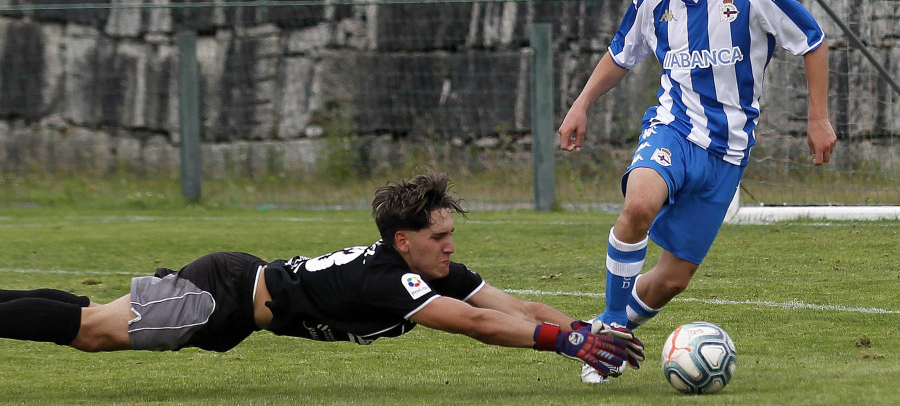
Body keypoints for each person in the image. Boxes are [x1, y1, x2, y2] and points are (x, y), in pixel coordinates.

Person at [558, 0, 837, 384]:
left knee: (672, 279)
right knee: (639, 204)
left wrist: (818, 117)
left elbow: (812, 41)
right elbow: (620, 56)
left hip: (727, 154)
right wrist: (580, 105)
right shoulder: (653, 2)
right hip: (673, 129)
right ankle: (614, 333)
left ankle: (605, 331)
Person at [0, 170, 643, 379]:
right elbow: (475, 324)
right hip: (223, 295)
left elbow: (510, 304)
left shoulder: (424, 266)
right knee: (90, 332)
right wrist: (564, 344)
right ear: (404, 241)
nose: (450, 248)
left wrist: (586, 328)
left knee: (95, 320)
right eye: (439, 237)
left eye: (451, 237)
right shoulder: (390, 279)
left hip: (238, 304)